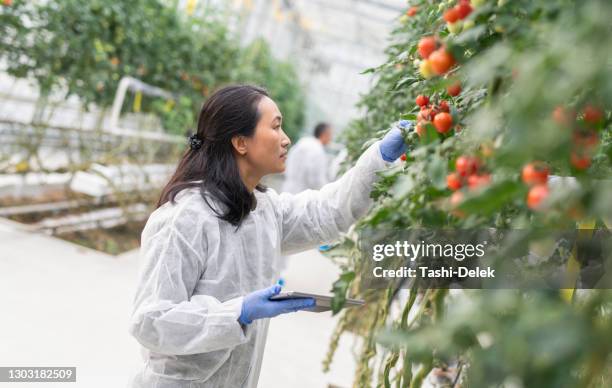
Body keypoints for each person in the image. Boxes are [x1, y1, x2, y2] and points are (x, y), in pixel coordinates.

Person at [128, 85, 409, 387]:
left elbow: (327, 212)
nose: (286, 139)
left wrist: (379, 158)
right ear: (240, 142)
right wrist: (239, 311)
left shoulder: (263, 209)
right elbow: (151, 320)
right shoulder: (184, 218)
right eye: (275, 126)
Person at [281, 122, 333, 194]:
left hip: (288, 188)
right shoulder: (318, 151)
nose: (331, 138)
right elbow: (316, 180)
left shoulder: (303, 141)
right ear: (325, 134)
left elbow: (288, 161)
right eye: (330, 134)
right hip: (302, 193)